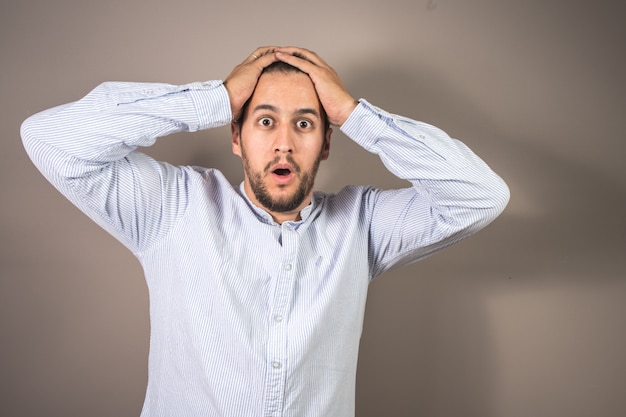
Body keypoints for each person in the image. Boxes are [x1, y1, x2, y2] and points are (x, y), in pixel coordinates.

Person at [21, 46, 509, 417]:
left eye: (305, 123)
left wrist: (354, 113)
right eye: (265, 121)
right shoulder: (171, 206)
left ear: (325, 143)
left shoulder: (362, 226)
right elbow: (49, 139)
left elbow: (481, 195)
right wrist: (216, 99)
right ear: (236, 136)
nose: (284, 144)